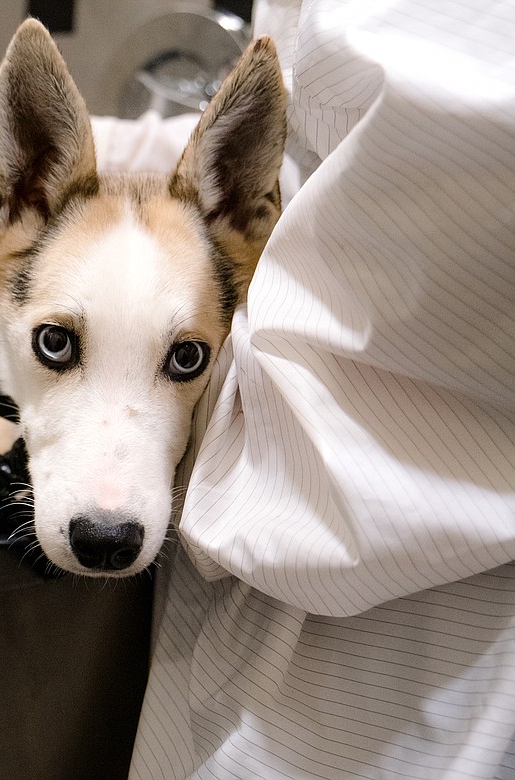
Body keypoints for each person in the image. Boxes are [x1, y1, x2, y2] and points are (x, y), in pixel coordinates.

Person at [128, 0, 515, 777]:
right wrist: (116, 152)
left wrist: (135, 413)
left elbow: (429, 293)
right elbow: (332, 139)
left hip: (402, 653)